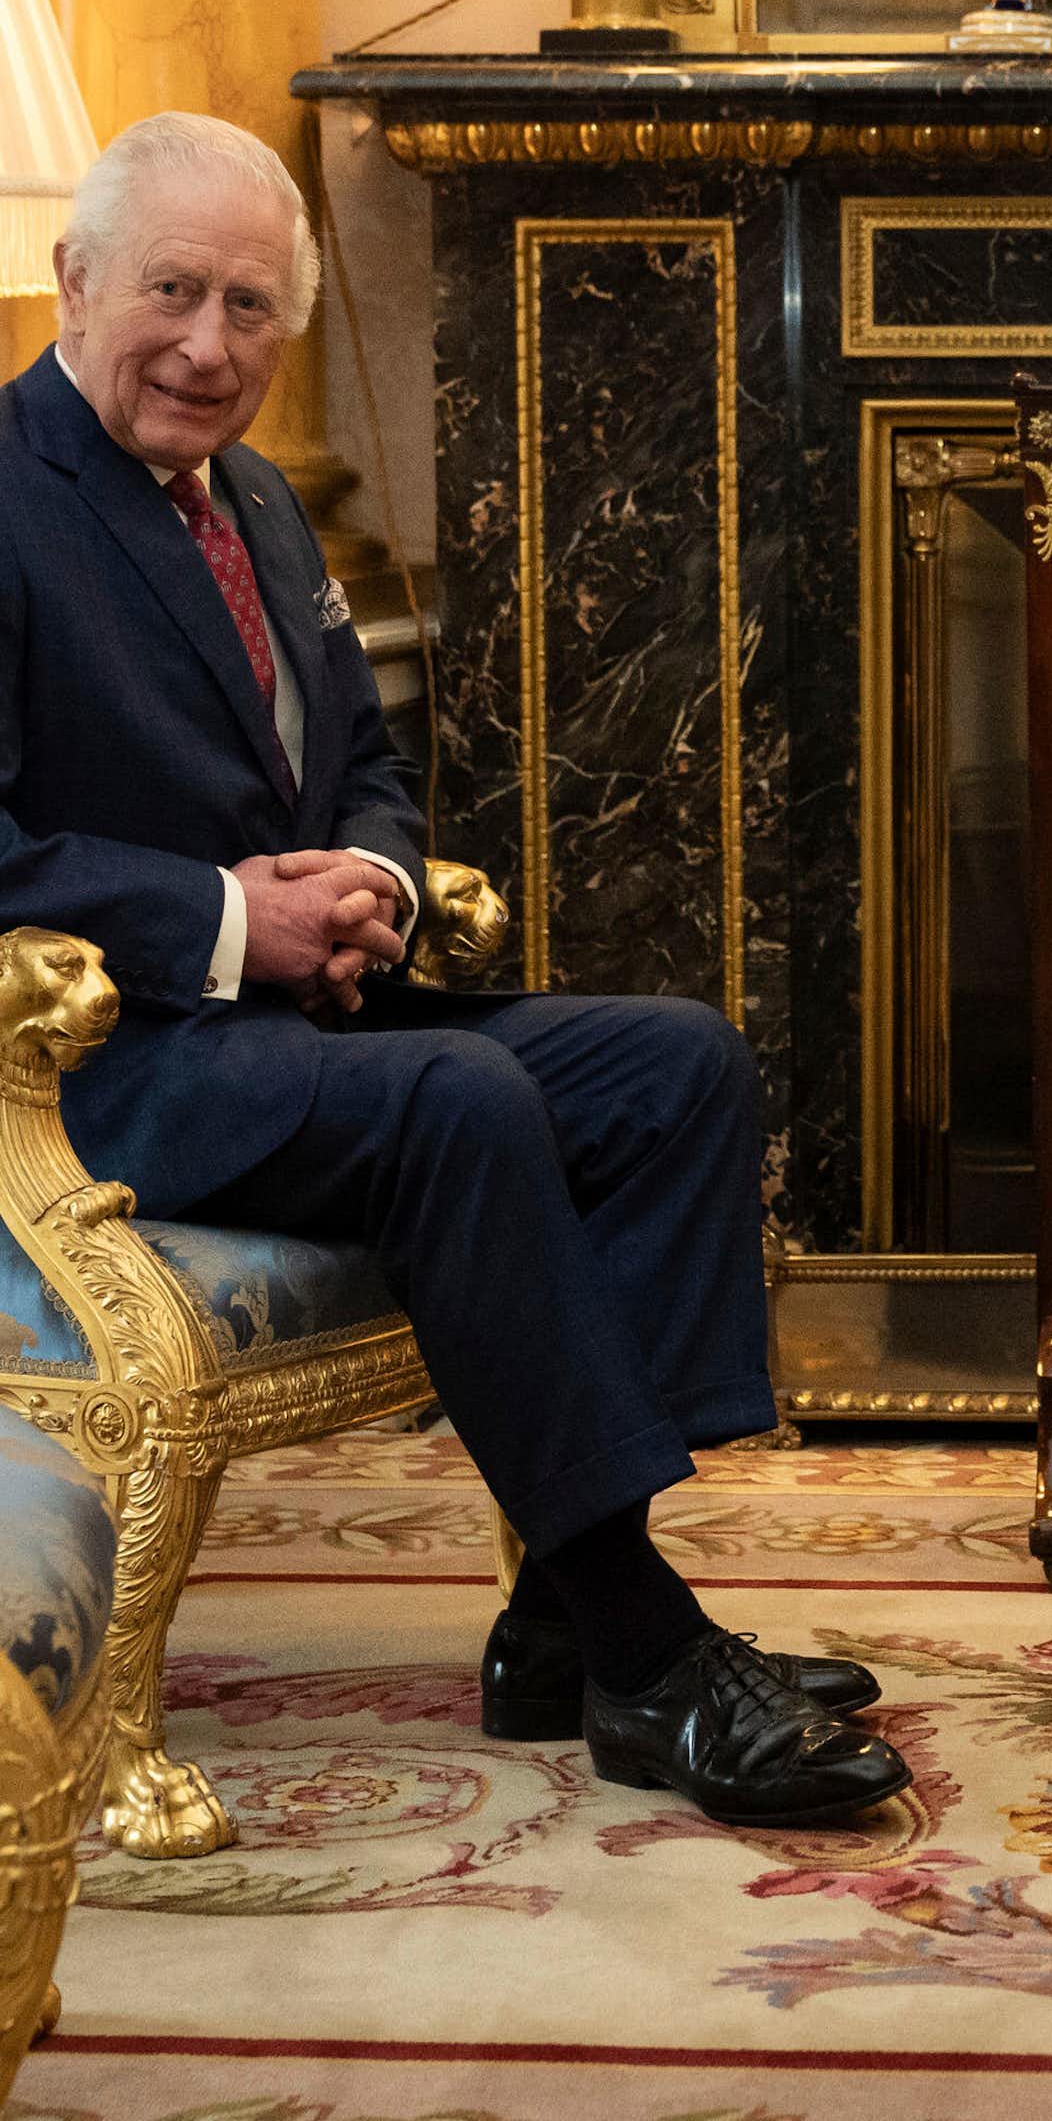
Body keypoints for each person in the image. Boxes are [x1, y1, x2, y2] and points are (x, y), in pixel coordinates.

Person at [0, 111, 908, 1830]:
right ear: (74, 279)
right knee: (461, 1093)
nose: (210, 344)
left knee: (678, 1063)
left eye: (252, 307)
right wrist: (219, 918)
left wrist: (376, 888)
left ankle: (562, 1616)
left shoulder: (255, 498)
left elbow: (364, 765)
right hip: (108, 1063)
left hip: (308, 1018)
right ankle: (647, 1650)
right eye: (174, 292)